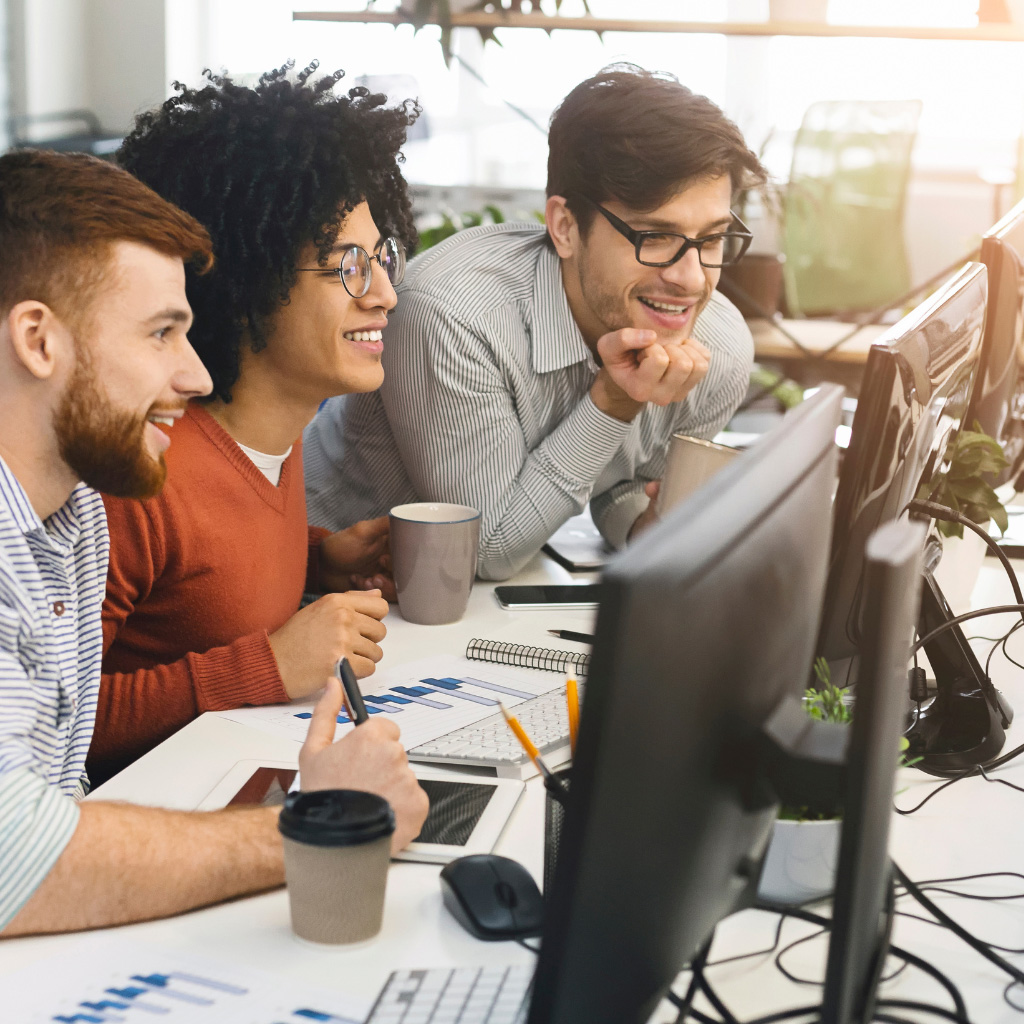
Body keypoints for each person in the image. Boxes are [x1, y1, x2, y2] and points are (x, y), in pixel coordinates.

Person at [0, 149, 427, 936]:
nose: (197, 378)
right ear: (38, 340)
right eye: (161, 333)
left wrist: (313, 556)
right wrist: (322, 823)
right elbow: (11, 858)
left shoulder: (73, 515)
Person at [304, 65, 769, 580]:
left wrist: (646, 526)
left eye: (710, 239)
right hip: (308, 582)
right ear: (565, 227)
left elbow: (623, 483)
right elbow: (486, 547)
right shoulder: (452, 311)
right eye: (655, 237)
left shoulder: (717, 346)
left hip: (472, 608)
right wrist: (614, 402)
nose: (690, 280)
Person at [90, 62, 421, 782]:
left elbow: (202, 579)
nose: (386, 294)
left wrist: (316, 559)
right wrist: (265, 667)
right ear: (251, 279)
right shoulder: (143, 477)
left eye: (384, 258)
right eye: (350, 266)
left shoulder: (276, 433)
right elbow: (57, 723)